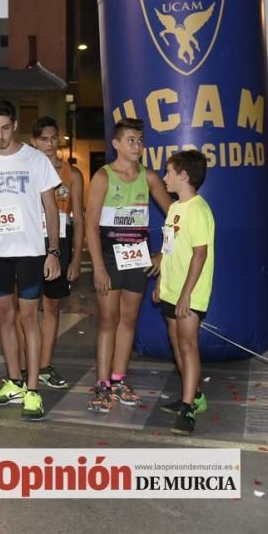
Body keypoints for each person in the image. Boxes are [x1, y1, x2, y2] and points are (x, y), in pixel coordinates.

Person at [0, 100, 62, 422]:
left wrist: (54, 251)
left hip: (31, 251)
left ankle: (33, 391)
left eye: (5, 128)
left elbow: (51, 208)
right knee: (4, 317)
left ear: (16, 124)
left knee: (28, 318)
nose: (0, 135)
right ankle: (15, 381)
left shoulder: (35, 159)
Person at [85, 118, 172, 412]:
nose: (137, 145)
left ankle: (119, 379)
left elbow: (175, 216)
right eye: (131, 140)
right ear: (116, 144)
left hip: (138, 257)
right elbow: (90, 227)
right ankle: (102, 384)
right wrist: (98, 267)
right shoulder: (103, 177)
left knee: (129, 321)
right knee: (108, 320)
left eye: (140, 140)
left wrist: (162, 253)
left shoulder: (149, 178)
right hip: (109, 258)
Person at [154, 150, 214, 435]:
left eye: (169, 172)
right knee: (177, 344)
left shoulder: (199, 210)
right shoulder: (176, 208)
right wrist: (160, 283)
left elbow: (199, 255)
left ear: (184, 176)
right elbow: (168, 248)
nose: (164, 177)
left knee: (188, 345)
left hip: (190, 294)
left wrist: (186, 294)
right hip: (171, 290)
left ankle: (188, 408)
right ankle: (194, 396)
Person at [31, 117, 84, 389]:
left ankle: (45, 365)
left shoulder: (71, 175)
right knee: (27, 308)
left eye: (53, 138)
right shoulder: (26, 170)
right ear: (34, 142)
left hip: (58, 245)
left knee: (51, 307)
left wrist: (75, 258)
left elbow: (79, 220)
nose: (49, 144)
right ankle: (26, 364)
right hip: (28, 244)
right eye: (43, 139)